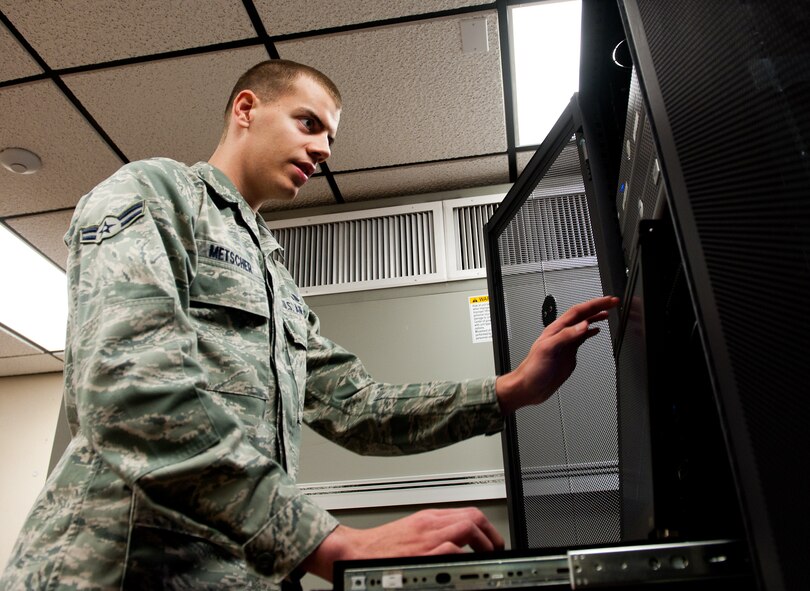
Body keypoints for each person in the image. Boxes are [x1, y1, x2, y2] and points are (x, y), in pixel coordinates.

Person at [0, 59, 618, 590]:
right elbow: (130, 393)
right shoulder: (154, 192)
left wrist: (514, 389)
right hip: (115, 568)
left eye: (330, 138)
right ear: (247, 108)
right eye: (309, 123)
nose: (324, 150)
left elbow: (359, 408)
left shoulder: (277, 279)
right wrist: (329, 542)